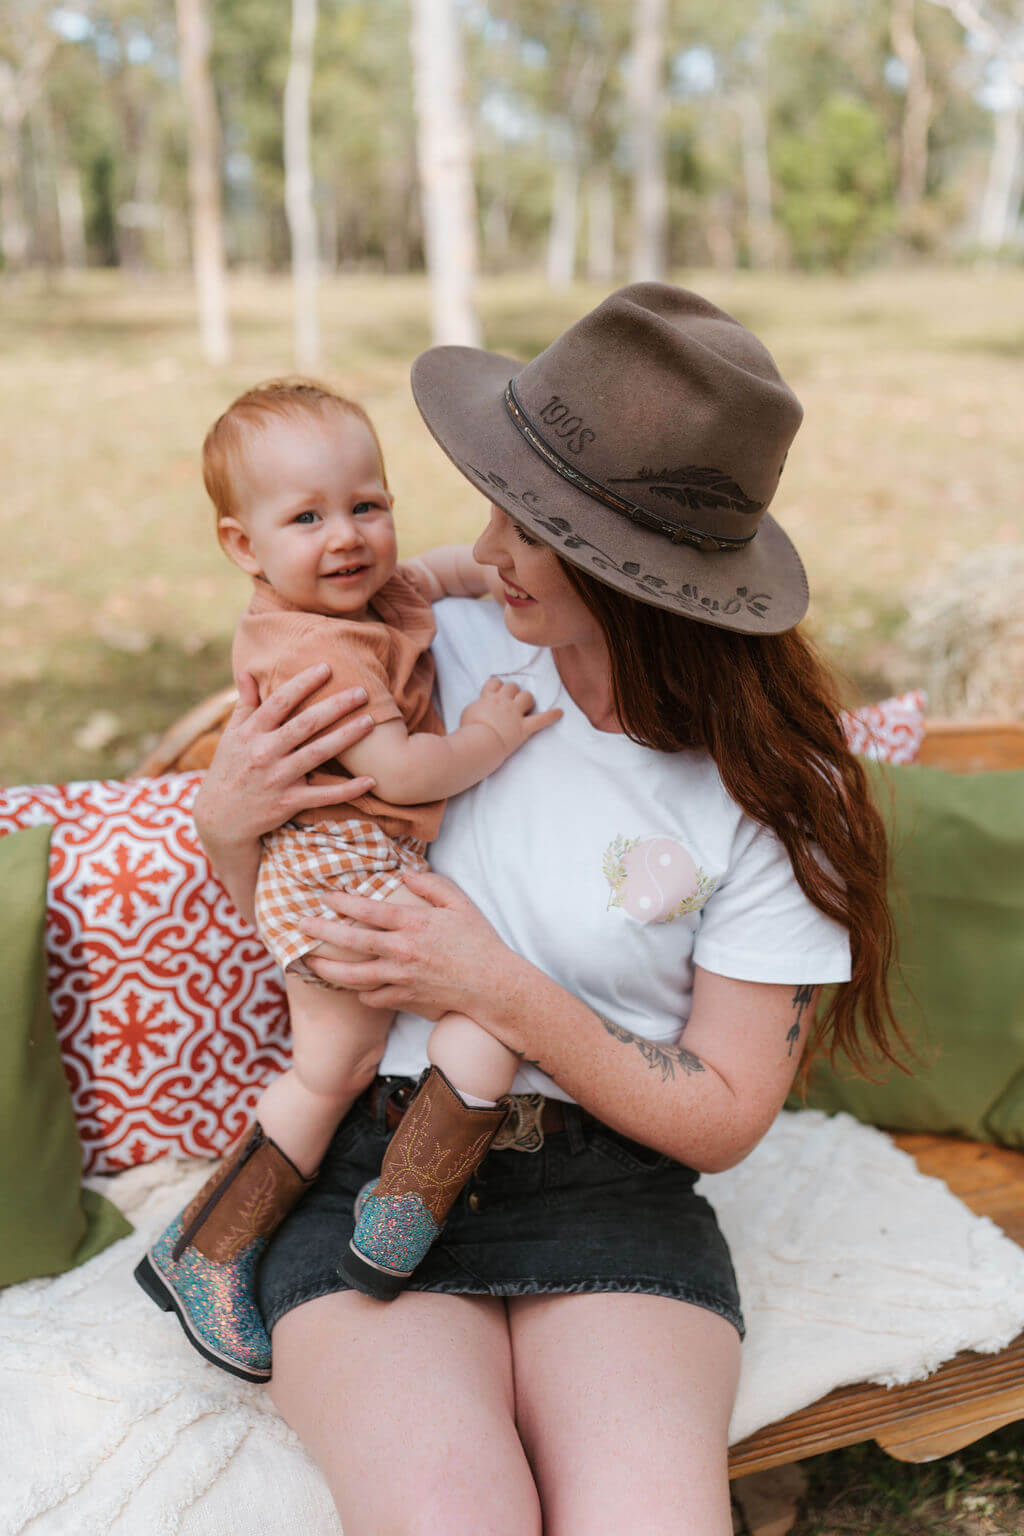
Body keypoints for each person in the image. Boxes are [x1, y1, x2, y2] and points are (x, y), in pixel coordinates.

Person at [191, 283, 901, 1534]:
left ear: (639, 575)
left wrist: (496, 987)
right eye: (496, 510)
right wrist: (226, 829)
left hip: (607, 1188)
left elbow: (724, 1115)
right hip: (371, 1169)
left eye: (530, 530)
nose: (483, 553)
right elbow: (310, 908)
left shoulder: (777, 789)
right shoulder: (429, 649)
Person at [135, 380, 561, 1376]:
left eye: (367, 505)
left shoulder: (362, 600)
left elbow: (443, 569)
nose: (347, 537)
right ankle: (394, 1214)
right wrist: (488, 735)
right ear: (243, 546)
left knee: (339, 1067)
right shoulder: (320, 649)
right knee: (491, 1014)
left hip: (337, 871)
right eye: (307, 518)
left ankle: (212, 1248)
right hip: (341, 875)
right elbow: (402, 772)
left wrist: (514, 567)